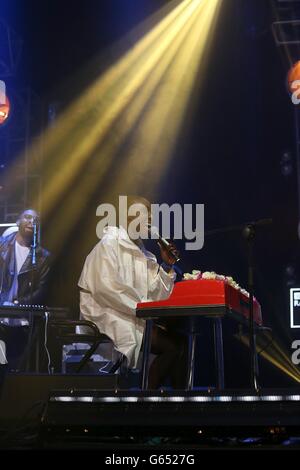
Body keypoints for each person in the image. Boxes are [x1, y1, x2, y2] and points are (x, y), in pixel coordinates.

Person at [78, 196, 187, 389]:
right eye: (143, 217)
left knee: (181, 343)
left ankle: (182, 403)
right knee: (173, 346)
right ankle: (147, 399)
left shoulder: (144, 254)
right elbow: (107, 289)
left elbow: (157, 295)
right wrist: (141, 309)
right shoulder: (109, 244)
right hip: (107, 313)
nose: (148, 222)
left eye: (149, 218)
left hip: (131, 314)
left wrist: (165, 264)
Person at [0, 209, 51, 372]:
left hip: (23, 323)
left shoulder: (43, 257)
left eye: (36, 219)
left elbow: (42, 290)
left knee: (17, 371)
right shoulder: (2, 248)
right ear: (18, 222)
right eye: (27, 217)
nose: (31, 221)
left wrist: (18, 304)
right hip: (1, 321)